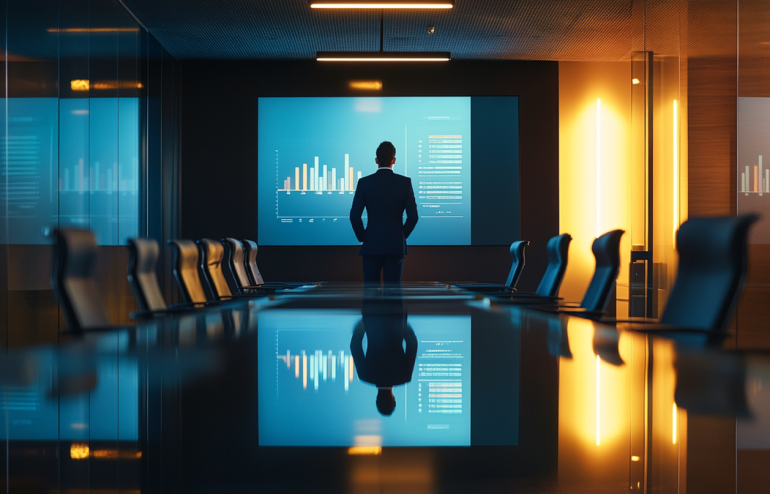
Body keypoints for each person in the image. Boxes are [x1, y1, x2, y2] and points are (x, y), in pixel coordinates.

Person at [349, 141, 419, 285]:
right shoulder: (405, 183)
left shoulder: (365, 183)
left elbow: (354, 216)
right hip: (395, 246)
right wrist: (400, 235)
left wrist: (364, 236)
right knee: (394, 296)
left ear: (376, 160)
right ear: (394, 160)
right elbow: (413, 217)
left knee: (370, 296)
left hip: (371, 245)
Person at [349, 294, 417, 416]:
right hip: (372, 321)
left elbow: (412, 344)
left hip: (396, 319)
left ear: (393, 400)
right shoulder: (365, 376)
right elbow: (355, 346)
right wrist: (363, 325)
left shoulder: (404, 377)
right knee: (371, 283)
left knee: (394, 283)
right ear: (377, 399)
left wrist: (402, 326)